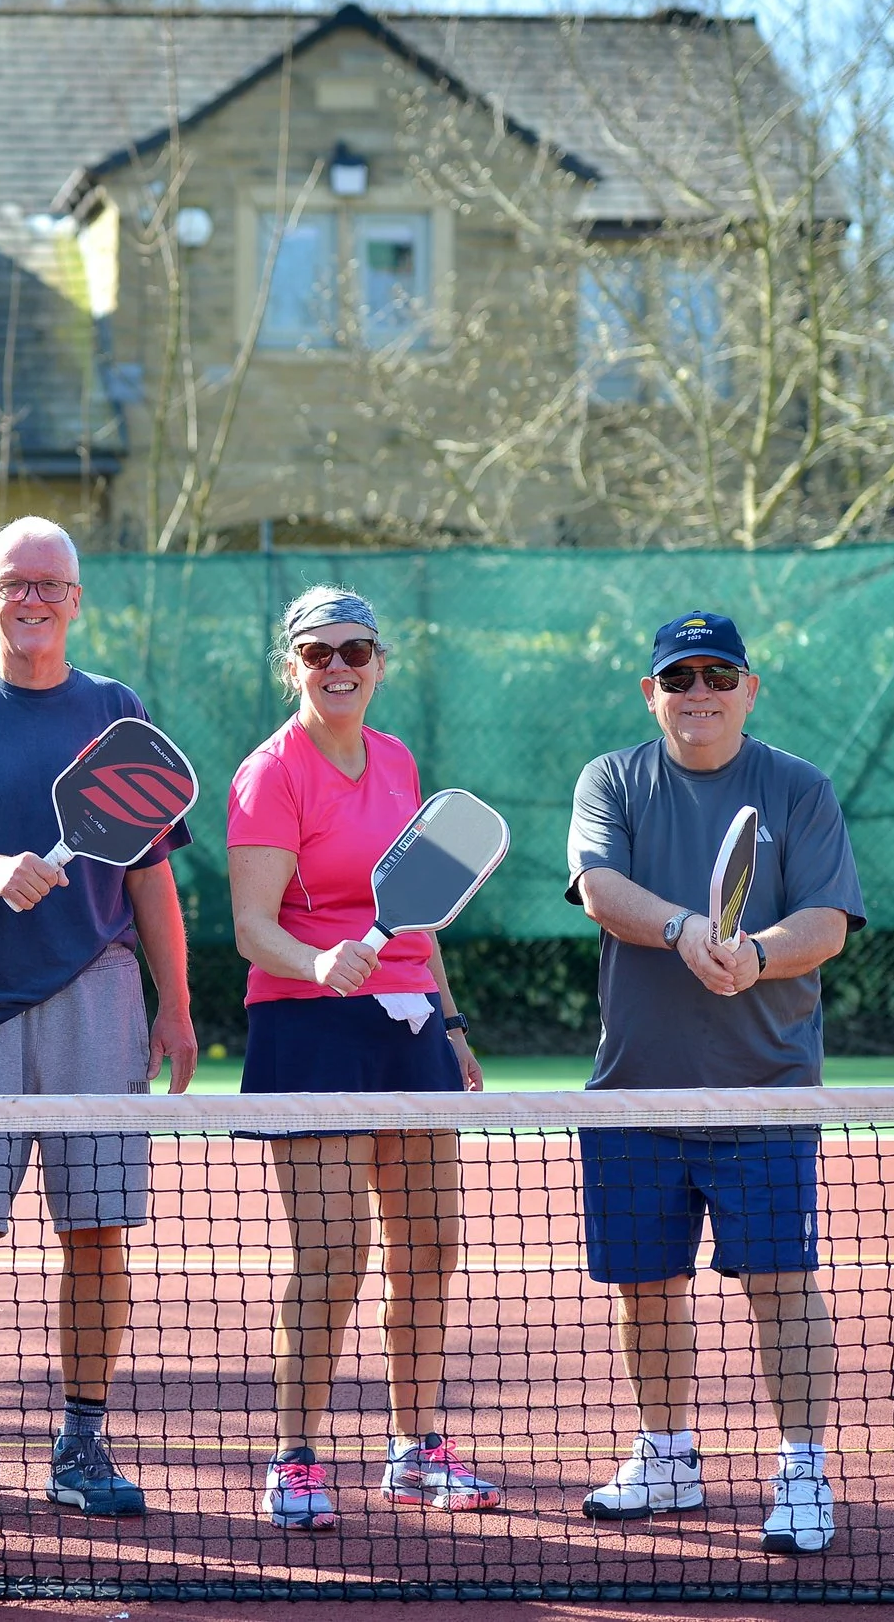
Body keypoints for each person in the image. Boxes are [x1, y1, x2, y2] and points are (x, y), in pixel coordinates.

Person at [0, 515, 199, 1521]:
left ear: (75, 600)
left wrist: (176, 1007)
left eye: (49, 585)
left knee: (99, 1233)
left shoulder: (116, 709)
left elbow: (149, 870)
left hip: (98, 998)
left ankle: (81, 1443)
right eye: (13, 584)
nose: (31, 599)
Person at [565, 609, 864, 1557]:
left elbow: (827, 921)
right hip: (636, 1094)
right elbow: (600, 886)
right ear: (651, 692)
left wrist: (759, 954)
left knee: (782, 1282)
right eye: (679, 677)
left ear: (750, 688)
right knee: (647, 1289)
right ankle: (666, 1455)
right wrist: (687, 931)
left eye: (718, 676)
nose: (699, 693)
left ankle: (804, 1471)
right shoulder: (611, 779)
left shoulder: (800, 788)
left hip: (765, 1092)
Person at [225, 586, 500, 1532]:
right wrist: (318, 960)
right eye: (317, 652)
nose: (337, 667)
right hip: (308, 1026)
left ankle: (415, 1445)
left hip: (411, 1023)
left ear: (380, 662)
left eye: (354, 650)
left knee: (430, 1249)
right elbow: (253, 928)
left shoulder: (396, 759)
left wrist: (451, 1022)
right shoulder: (270, 773)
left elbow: (422, 907)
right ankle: (295, 1458)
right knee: (333, 1254)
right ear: (292, 664)